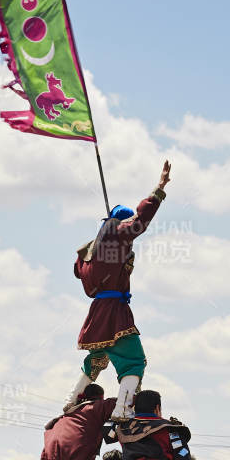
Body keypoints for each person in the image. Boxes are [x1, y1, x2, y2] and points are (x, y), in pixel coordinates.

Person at [67, 161, 170, 419]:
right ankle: (122, 410)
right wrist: (158, 190)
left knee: (97, 359)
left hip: (97, 311)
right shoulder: (117, 235)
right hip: (115, 312)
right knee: (134, 361)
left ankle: (70, 401)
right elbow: (140, 220)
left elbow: (78, 271)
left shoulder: (89, 255)